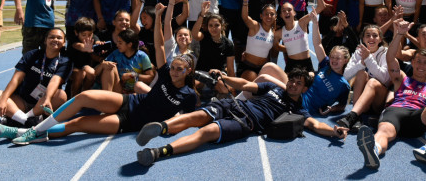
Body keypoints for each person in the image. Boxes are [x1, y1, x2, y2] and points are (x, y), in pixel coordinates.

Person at [0, 20, 198, 145]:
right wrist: (163, 13)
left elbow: (187, 120)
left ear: (188, 71)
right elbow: (161, 44)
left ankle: (24, 131)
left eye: (180, 69)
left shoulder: (189, 95)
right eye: (173, 67)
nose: (174, 72)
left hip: (130, 122)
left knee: (77, 124)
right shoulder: (164, 75)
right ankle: (34, 130)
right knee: (84, 97)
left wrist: (165, 127)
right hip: (130, 102)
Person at [133, 67, 346, 166]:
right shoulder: (273, 87)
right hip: (234, 104)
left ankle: (157, 152)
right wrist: (226, 78)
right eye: (291, 80)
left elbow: (316, 125)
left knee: (206, 132)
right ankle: (160, 127)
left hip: (245, 122)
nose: (292, 84)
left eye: (298, 83)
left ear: (305, 89)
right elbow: (246, 85)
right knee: (197, 116)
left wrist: (334, 131)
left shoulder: (298, 110)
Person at [355, 19, 426, 169]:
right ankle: (374, 150)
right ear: (412, 62)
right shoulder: (401, 79)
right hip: (396, 111)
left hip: (417, 118)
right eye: (418, 61)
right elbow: (390, 58)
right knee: (384, 131)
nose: (421, 65)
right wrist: (399, 34)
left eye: (425, 62)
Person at [252, 10, 351, 116]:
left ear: (346, 60)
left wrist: (332, 109)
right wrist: (315, 23)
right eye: (332, 57)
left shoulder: (344, 85)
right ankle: (248, 101)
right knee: (269, 67)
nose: (334, 60)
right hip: (297, 92)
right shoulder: (326, 65)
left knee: (265, 78)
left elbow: (343, 105)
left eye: (338, 58)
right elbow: (317, 44)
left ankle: (246, 101)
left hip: (302, 104)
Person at [0, 28, 71, 128]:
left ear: (64, 42)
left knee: (61, 95)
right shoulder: (32, 55)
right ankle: (28, 121)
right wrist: (3, 99)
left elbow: (55, 81)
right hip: (22, 101)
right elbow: (16, 79)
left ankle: (18, 119)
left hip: (43, 103)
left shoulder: (65, 61)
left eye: (59, 38)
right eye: (51, 37)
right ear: (45, 40)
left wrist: (47, 99)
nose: (55, 40)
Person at [336, 25, 390, 132]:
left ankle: (353, 115)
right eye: (368, 35)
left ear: (380, 39)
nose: (371, 38)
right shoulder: (358, 52)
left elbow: (385, 79)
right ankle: (356, 116)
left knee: (372, 82)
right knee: (361, 73)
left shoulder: (385, 53)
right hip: (363, 103)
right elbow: (346, 75)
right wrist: (361, 63)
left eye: (375, 36)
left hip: (378, 102)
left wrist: (368, 58)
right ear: (363, 39)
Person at [275, 0, 325, 73]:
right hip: (291, 64)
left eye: (289, 10)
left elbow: (321, 7)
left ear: (294, 12)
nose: (287, 12)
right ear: (281, 15)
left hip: (306, 64)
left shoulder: (302, 23)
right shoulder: (279, 33)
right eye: (283, 11)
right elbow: (276, 46)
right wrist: (289, 48)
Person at [100, 28, 155, 94]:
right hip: (119, 88)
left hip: (135, 91)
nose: (117, 45)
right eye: (117, 42)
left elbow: (150, 78)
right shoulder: (116, 54)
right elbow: (102, 69)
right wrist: (103, 64)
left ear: (129, 44)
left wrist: (132, 75)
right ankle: (106, 97)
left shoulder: (142, 56)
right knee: (109, 67)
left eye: (120, 43)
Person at [237, 0, 277, 81]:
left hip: (262, 68)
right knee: (253, 83)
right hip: (248, 67)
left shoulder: (273, 32)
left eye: (272, 14)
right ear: (261, 16)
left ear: (275, 17)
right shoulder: (255, 26)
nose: (269, 16)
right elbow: (245, 17)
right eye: (266, 14)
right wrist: (245, 1)